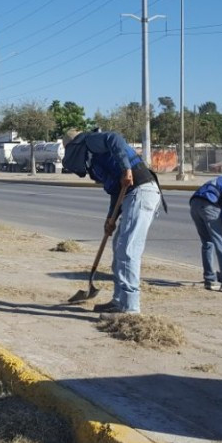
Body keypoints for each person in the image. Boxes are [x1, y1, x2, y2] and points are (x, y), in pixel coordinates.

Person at [62, 129, 163, 315]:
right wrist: (111, 218)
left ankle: (130, 308)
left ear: (73, 148)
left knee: (127, 250)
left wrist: (126, 169)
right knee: (119, 249)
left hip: (141, 192)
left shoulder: (91, 141)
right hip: (130, 195)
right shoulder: (92, 161)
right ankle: (118, 301)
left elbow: (114, 138)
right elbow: (116, 191)